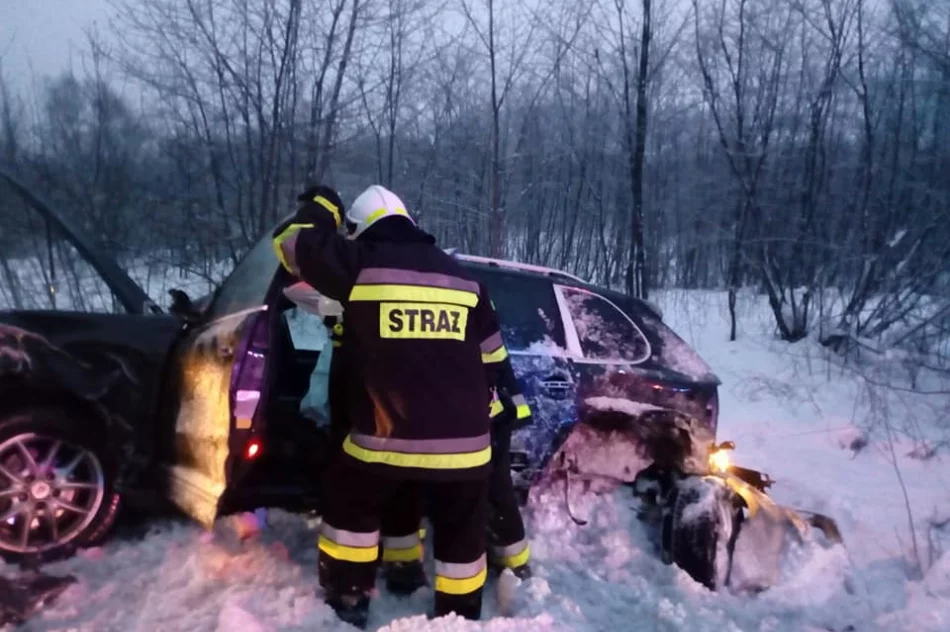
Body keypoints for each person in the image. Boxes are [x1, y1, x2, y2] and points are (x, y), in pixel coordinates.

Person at [272, 183, 502, 628]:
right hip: (469, 445)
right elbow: (491, 358)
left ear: (361, 231)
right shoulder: (465, 278)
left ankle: (350, 598)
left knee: (350, 499)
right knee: (461, 532)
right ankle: (458, 617)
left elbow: (292, 243)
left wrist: (321, 207)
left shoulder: (361, 265)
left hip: (387, 439)